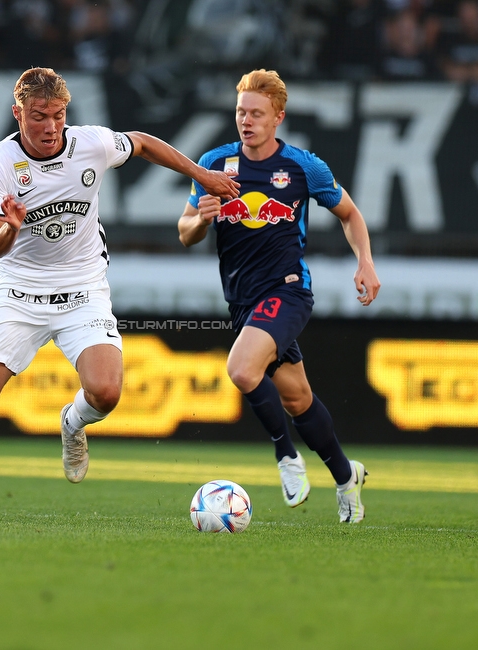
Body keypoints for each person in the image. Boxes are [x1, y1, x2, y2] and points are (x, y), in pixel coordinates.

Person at [0, 67, 239, 520]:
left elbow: (144, 142)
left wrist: (202, 176)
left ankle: (72, 423)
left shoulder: (90, 142)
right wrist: (10, 229)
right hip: (20, 291)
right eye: (38, 116)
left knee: (107, 392)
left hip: (82, 288)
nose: (50, 127)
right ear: (18, 114)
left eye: (58, 115)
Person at [178, 70, 381, 523]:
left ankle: (286, 458)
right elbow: (185, 231)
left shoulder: (304, 167)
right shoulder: (214, 163)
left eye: (256, 114)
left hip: (287, 292)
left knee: (240, 369)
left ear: (278, 118)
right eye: (240, 112)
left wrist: (365, 261)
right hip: (242, 301)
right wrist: (202, 221)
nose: (246, 121)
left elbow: (350, 214)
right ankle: (348, 477)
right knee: (297, 399)